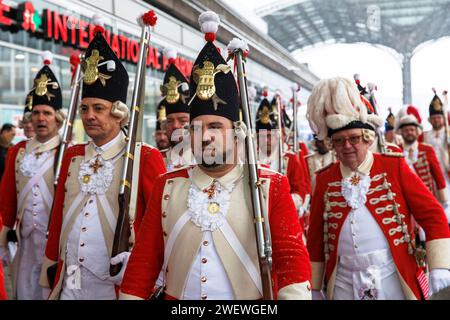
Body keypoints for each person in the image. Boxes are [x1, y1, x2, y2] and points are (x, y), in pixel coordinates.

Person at [118, 11, 311, 300]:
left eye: (215, 126)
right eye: (196, 128)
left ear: (236, 132)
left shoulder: (271, 185)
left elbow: (291, 263)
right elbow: (144, 264)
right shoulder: (166, 185)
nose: (205, 135)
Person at [39, 18, 166, 300]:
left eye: (98, 108)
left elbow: (157, 226)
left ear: (119, 112)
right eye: (84, 108)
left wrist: (141, 269)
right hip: (70, 273)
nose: (89, 115)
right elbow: (59, 217)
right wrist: (50, 265)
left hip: (115, 282)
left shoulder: (144, 157)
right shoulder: (73, 155)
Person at [306, 77, 450, 300]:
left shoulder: (394, 166)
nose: (347, 146)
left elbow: (432, 215)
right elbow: (315, 237)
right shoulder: (324, 179)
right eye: (339, 141)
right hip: (344, 281)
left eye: (353, 139)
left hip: (393, 276)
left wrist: (440, 264)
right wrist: (314, 286)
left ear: (367, 138)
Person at [0, 51, 65, 299]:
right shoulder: (18, 150)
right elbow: (8, 196)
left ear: (57, 119)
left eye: (47, 113)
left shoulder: (69, 151)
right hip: (26, 241)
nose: (40, 118)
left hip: (55, 244)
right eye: (36, 113)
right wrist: (4, 236)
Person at [397, 105, 448, 203]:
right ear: (401, 133)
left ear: (417, 132)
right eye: (406, 130)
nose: (409, 133)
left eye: (412, 130)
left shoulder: (427, 149)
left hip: (426, 196)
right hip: (404, 197)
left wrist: (443, 199)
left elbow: (438, 175)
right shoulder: (396, 150)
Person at [159, 47, 193, 171]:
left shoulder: (207, 160)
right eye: (169, 121)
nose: (175, 126)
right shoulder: (155, 160)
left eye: (182, 120)